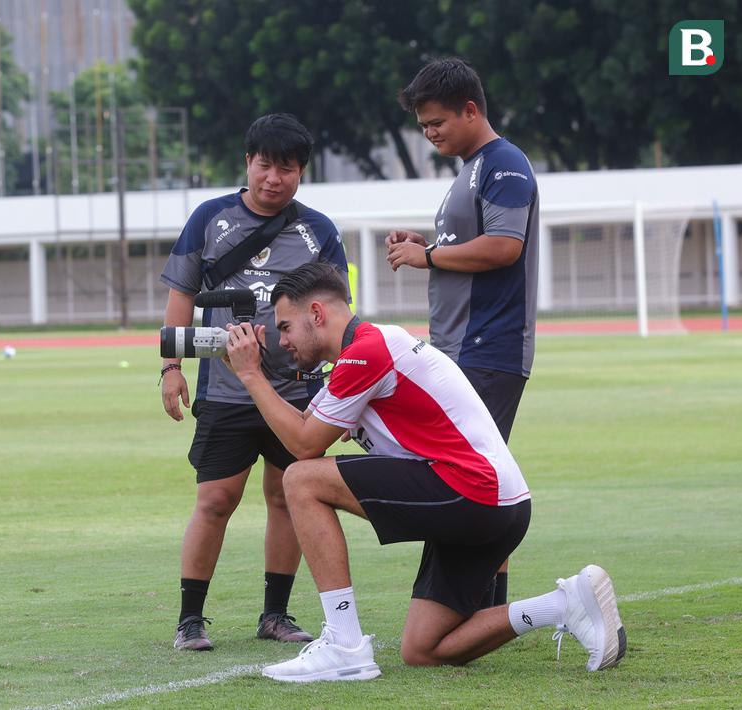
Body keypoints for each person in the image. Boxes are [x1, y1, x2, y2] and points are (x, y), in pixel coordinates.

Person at [222, 263, 624, 681]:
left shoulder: (366, 350)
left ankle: (344, 645)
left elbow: (305, 445)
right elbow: (307, 424)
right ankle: (564, 603)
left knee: (300, 480)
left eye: (285, 327)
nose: (282, 340)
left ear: (317, 314)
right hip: (499, 505)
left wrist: (251, 374)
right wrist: (260, 377)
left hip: (473, 493)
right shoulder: (367, 348)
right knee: (423, 648)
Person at [159, 113, 349, 651]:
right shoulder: (210, 219)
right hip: (225, 390)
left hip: (296, 390)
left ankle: (276, 614)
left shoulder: (320, 230)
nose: (274, 178)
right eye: (265, 165)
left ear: (301, 172)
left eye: (286, 168)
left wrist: (336, 385)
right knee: (216, 499)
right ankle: (189, 619)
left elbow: (338, 311)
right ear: (248, 162)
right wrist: (171, 368)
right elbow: (180, 297)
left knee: (289, 498)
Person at [385, 58, 541, 607]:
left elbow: (505, 247)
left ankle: (455, 608)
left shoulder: (504, 163)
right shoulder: (471, 168)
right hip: (461, 350)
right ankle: (489, 604)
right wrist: (428, 241)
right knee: (481, 473)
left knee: (460, 479)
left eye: (437, 124)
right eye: (424, 127)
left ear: (470, 109)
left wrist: (427, 254)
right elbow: (471, 243)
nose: (430, 135)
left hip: (487, 350)